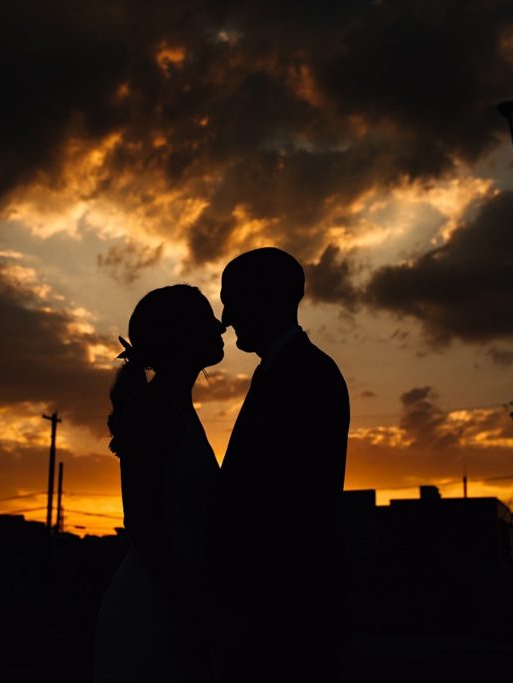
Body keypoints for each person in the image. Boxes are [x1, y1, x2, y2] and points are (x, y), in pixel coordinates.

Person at [208, 247, 350, 682]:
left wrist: (244, 606)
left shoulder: (306, 374)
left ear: (263, 298)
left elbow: (289, 503)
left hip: (281, 607)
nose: (226, 318)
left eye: (231, 300)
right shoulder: (288, 369)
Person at [95, 284, 225, 683]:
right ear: (180, 334)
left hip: (174, 597)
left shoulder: (176, 405)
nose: (220, 327)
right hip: (158, 605)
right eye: (206, 319)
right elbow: (142, 523)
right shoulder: (154, 408)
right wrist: (190, 603)